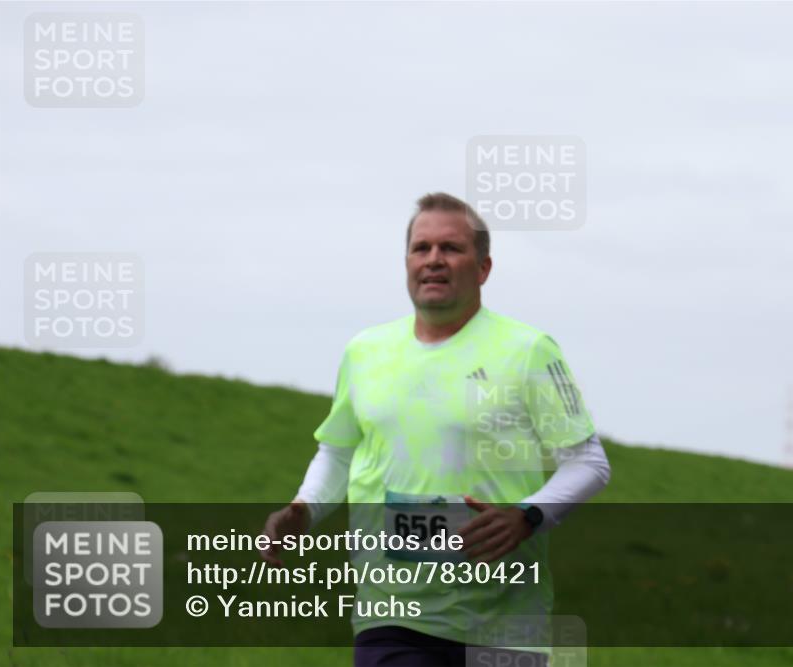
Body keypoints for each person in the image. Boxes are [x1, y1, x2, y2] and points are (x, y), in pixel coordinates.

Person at [260, 192, 611, 667]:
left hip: (503, 619)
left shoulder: (528, 350)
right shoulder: (365, 352)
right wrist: (303, 509)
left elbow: (588, 462)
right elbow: (338, 452)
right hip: (391, 614)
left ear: (483, 268)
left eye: (451, 248)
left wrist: (527, 516)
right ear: (406, 262)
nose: (434, 261)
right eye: (421, 248)